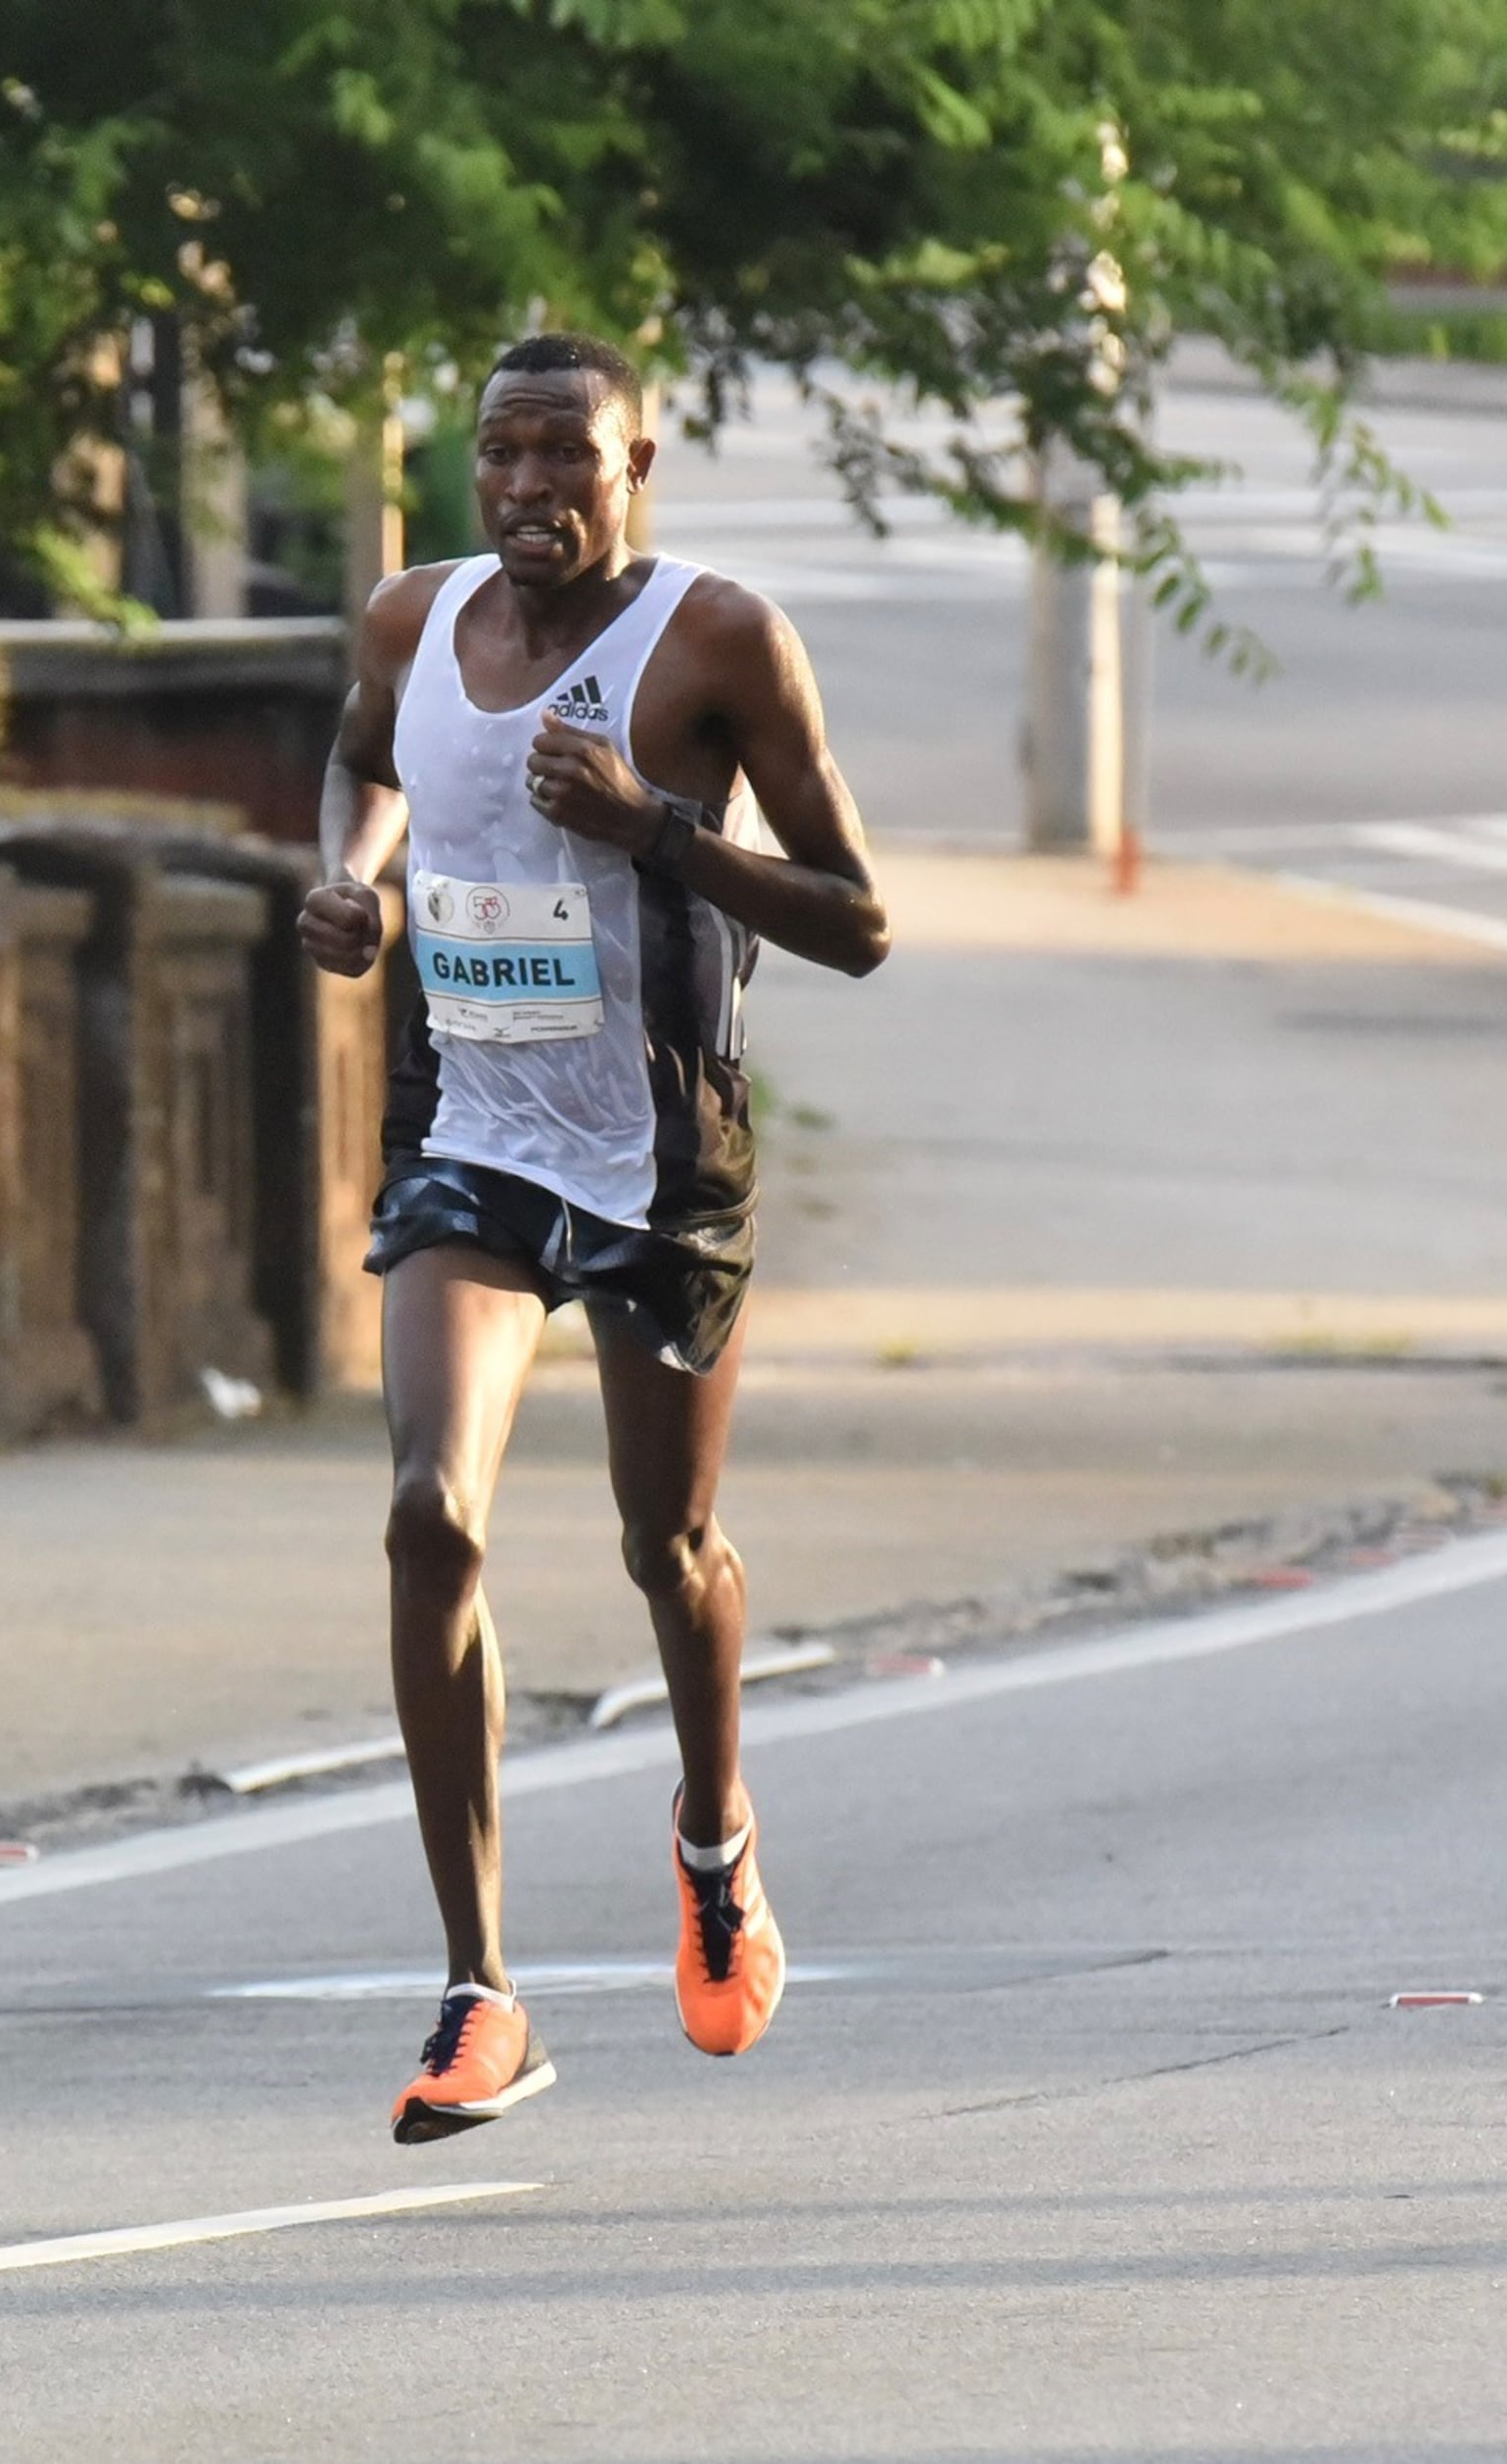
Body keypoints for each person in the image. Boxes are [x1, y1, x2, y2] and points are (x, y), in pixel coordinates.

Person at [299, 333, 893, 2142]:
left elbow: (858, 919)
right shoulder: (414, 621)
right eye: (502, 458)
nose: (531, 491)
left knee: (671, 1540)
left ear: (639, 461)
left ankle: (715, 1841)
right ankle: (481, 1989)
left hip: (661, 1154)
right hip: (470, 1133)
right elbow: (359, 766)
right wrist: (352, 877)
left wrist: (659, 831)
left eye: (570, 458)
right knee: (429, 1512)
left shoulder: (719, 643)